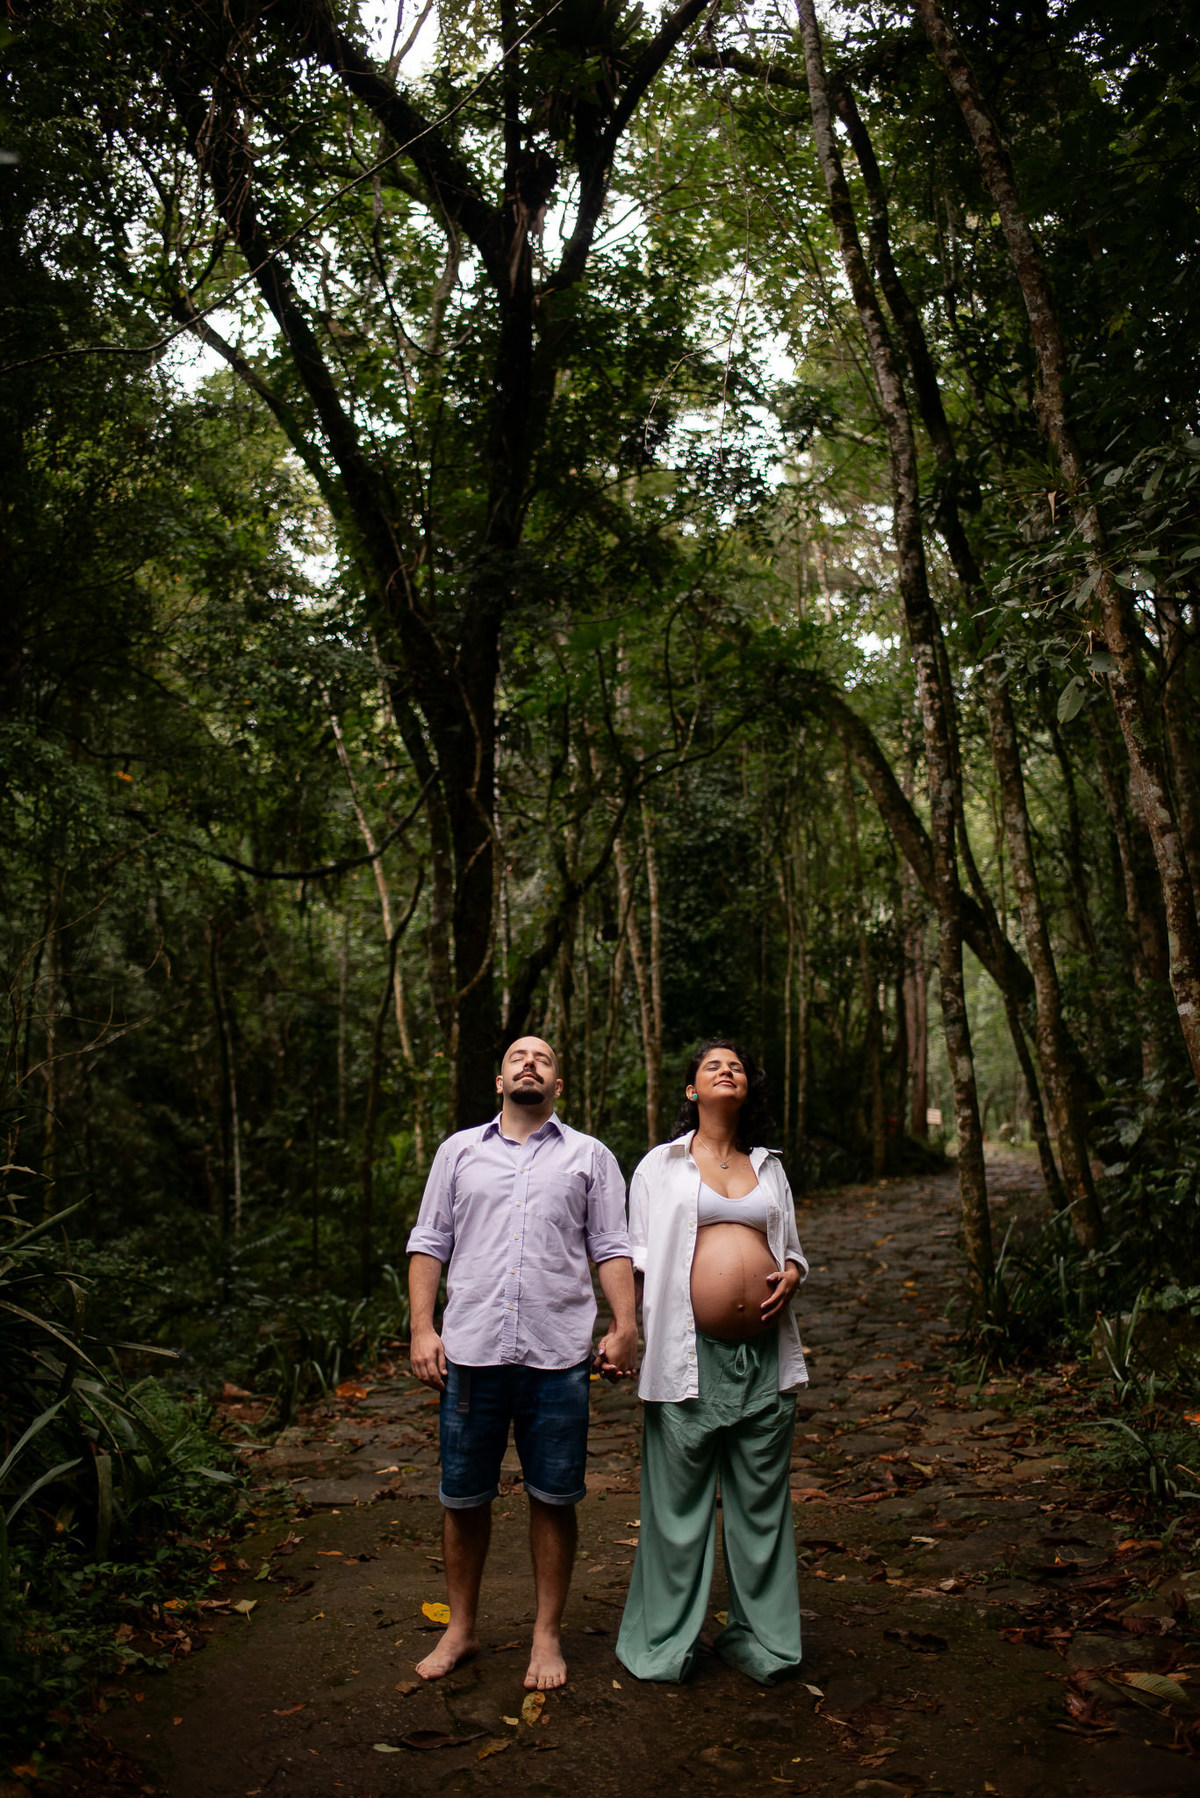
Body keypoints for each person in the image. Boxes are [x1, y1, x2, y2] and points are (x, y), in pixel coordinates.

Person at [407, 1035, 637, 1692]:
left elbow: (611, 1246)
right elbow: (429, 1242)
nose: (529, 1062)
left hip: (557, 1356)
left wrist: (625, 1325)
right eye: (516, 1057)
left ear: (557, 1085)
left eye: (543, 1058)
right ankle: (461, 1627)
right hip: (471, 1353)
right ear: (499, 1080)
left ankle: (546, 1633)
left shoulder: (589, 1157)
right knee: (463, 1497)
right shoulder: (458, 1153)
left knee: (554, 1497)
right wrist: (422, 1329)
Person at [616, 1037, 808, 1685]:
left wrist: (792, 1274)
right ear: (693, 1090)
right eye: (711, 1065)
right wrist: (626, 1335)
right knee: (677, 1510)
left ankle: (766, 1643)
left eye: (737, 1066)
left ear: (746, 1088)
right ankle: (664, 1644)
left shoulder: (770, 1167)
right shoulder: (658, 1166)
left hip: (763, 1355)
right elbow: (636, 1260)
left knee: (762, 1507)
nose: (726, 1070)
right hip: (685, 1354)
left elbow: (792, 1251)